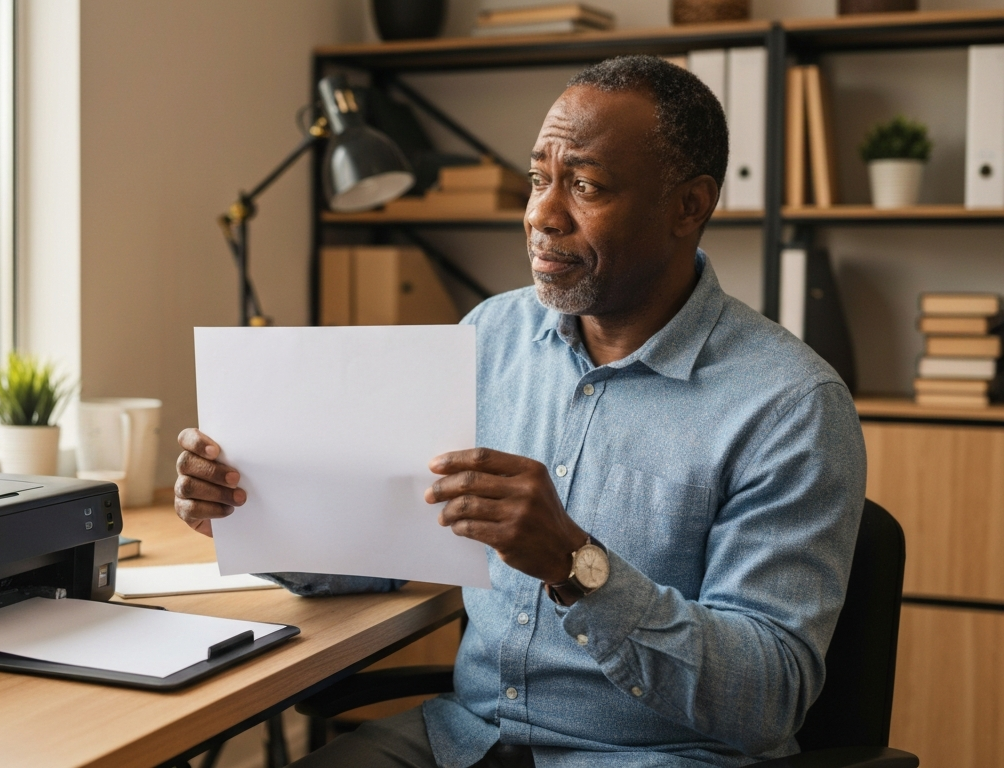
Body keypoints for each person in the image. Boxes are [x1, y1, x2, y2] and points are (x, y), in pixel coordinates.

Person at [174, 55, 865, 768]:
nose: (541, 214)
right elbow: (389, 543)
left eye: (586, 186)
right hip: (467, 740)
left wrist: (575, 564)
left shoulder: (790, 406)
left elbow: (770, 696)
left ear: (688, 206)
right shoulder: (491, 336)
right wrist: (255, 509)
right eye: (539, 180)